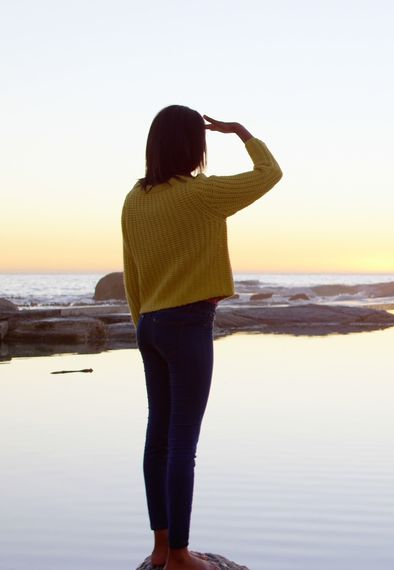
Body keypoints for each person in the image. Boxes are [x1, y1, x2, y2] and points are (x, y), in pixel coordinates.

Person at [121, 104, 282, 570]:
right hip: (187, 327)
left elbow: (131, 274)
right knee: (181, 444)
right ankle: (179, 556)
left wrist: (140, 326)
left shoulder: (134, 198)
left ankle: (159, 546)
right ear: (195, 145)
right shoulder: (202, 195)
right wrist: (242, 132)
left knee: (158, 438)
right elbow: (269, 173)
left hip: (149, 325)